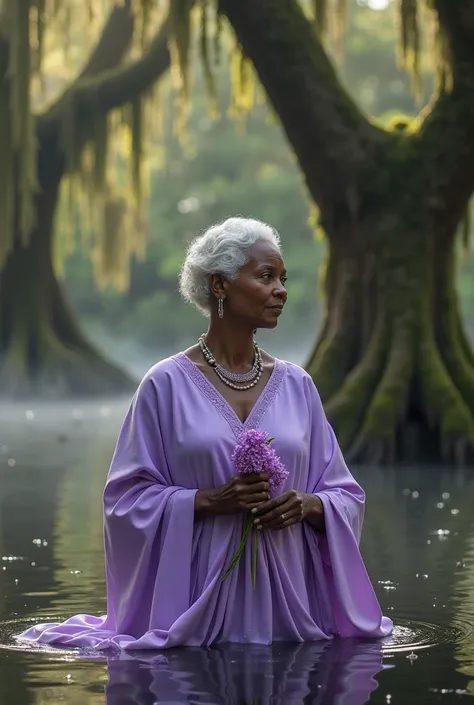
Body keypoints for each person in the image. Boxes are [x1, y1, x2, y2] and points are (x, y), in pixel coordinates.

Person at [17, 217, 393, 650]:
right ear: (219, 286)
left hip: (294, 623)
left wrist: (308, 505)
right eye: (266, 276)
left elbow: (345, 495)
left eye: (283, 279)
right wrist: (209, 501)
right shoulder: (164, 385)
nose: (281, 290)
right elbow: (124, 502)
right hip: (192, 616)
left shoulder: (298, 385)